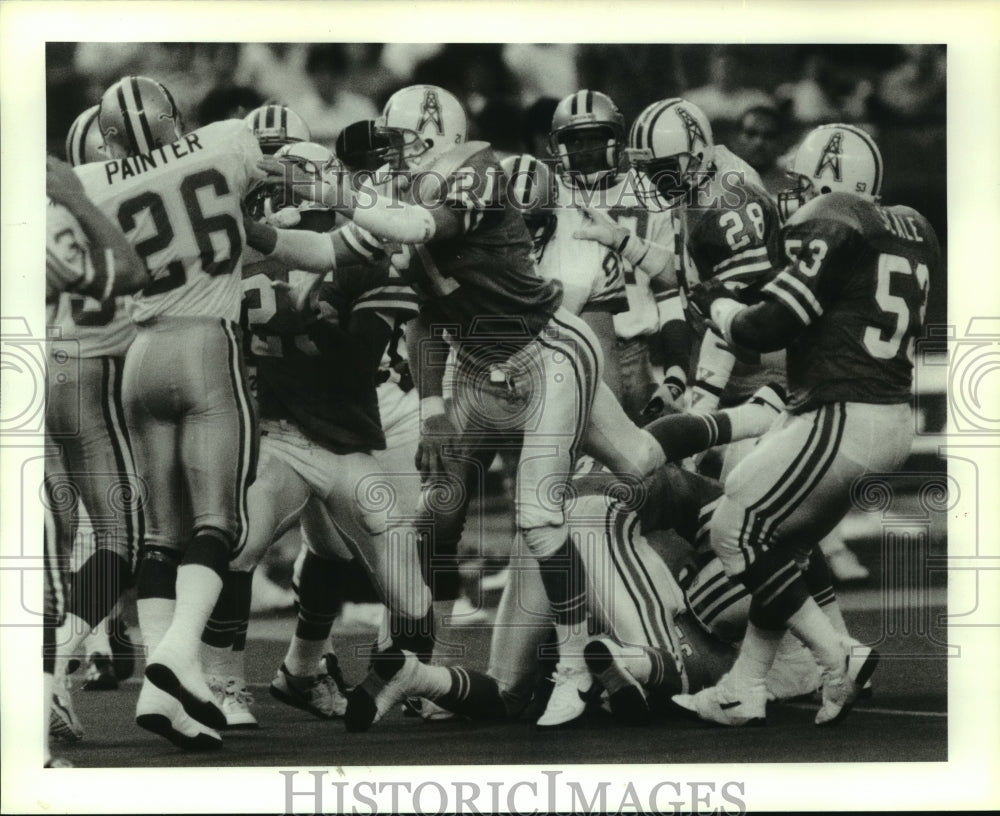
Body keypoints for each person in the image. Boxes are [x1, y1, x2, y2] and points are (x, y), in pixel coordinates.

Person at [245, 85, 774, 729]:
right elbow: (330, 252)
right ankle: (750, 429)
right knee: (635, 458)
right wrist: (254, 234)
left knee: (538, 511)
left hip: (544, 347)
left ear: (434, 135)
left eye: (401, 141)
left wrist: (337, 191)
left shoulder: (476, 170)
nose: (392, 156)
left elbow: (416, 227)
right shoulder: (401, 188)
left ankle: (577, 666)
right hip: (477, 363)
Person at [675, 123, 938, 726]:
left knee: (734, 527)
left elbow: (768, 329)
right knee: (781, 542)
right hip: (882, 413)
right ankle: (744, 687)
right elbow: (831, 303)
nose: (791, 193)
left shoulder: (835, 218)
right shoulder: (909, 226)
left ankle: (838, 654)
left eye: (801, 180)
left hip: (844, 412)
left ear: (832, 179)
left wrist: (716, 303)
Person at [74, 75, 264, 749]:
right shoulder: (224, 142)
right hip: (204, 344)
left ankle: (161, 696)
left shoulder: (91, 182)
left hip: (137, 359)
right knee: (220, 521)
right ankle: (179, 656)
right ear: (172, 116)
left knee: (162, 534)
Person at [44, 154, 148, 766]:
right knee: (117, 537)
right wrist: (79, 202)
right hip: (83, 372)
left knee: (55, 542)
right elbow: (129, 273)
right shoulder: (63, 207)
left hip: (41, 373)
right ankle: (54, 677)